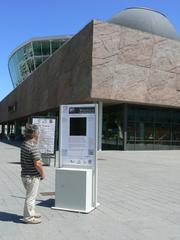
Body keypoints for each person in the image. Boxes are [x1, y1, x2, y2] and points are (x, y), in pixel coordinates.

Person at [20, 124, 45, 224]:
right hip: (32, 176)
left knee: (31, 195)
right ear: (34, 134)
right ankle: (28, 218)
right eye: (38, 132)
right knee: (30, 197)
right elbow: (37, 163)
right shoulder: (33, 146)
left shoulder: (24, 144)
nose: (39, 134)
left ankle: (32, 212)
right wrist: (42, 174)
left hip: (25, 175)